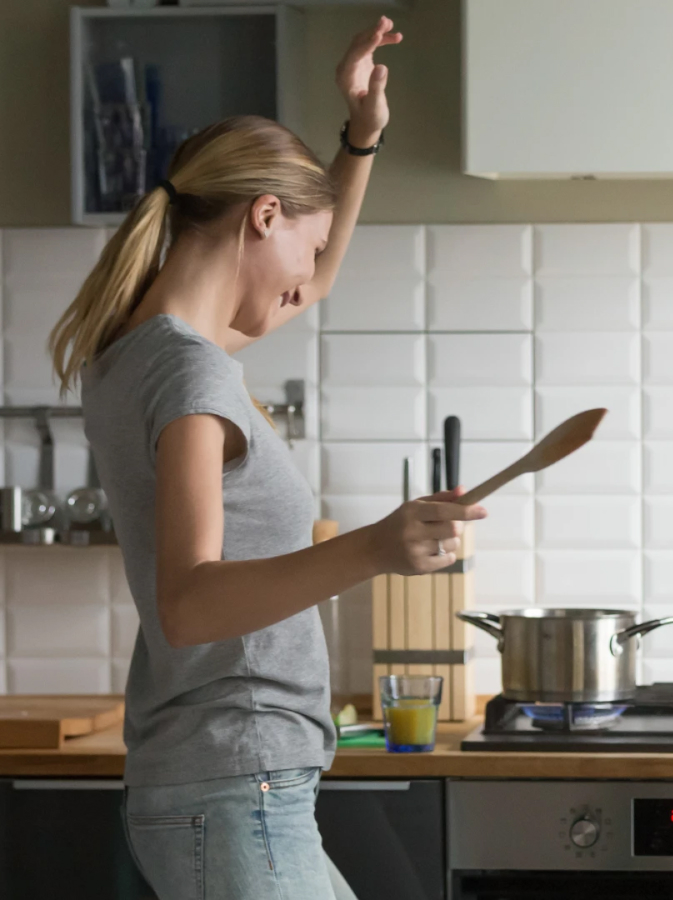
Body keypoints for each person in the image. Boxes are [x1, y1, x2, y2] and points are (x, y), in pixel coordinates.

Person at [47, 18, 483, 900]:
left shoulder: (128, 349)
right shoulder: (189, 372)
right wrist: (376, 547)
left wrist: (362, 136)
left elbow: (307, 282)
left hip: (230, 782)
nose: (313, 276)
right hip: (234, 779)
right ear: (264, 214)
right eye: (307, 246)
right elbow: (189, 599)